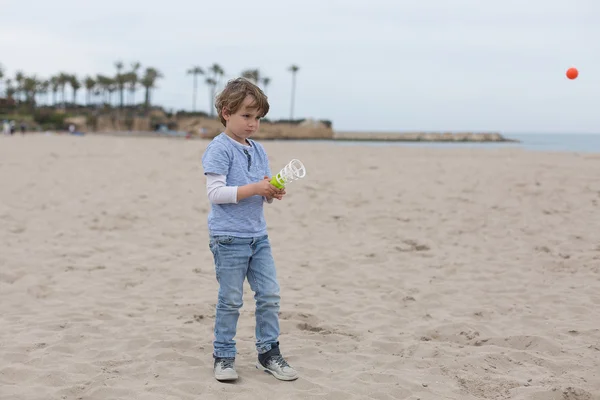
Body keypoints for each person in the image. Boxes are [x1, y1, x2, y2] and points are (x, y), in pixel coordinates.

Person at [201, 78, 299, 382]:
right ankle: (224, 355)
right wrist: (255, 187)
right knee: (231, 299)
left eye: (257, 118)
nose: (252, 124)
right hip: (229, 238)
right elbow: (216, 193)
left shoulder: (258, 150)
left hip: (259, 236)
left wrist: (269, 192)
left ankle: (268, 353)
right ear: (226, 112)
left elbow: (257, 190)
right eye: (246, 116)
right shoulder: (218, 149)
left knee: (269, 295)